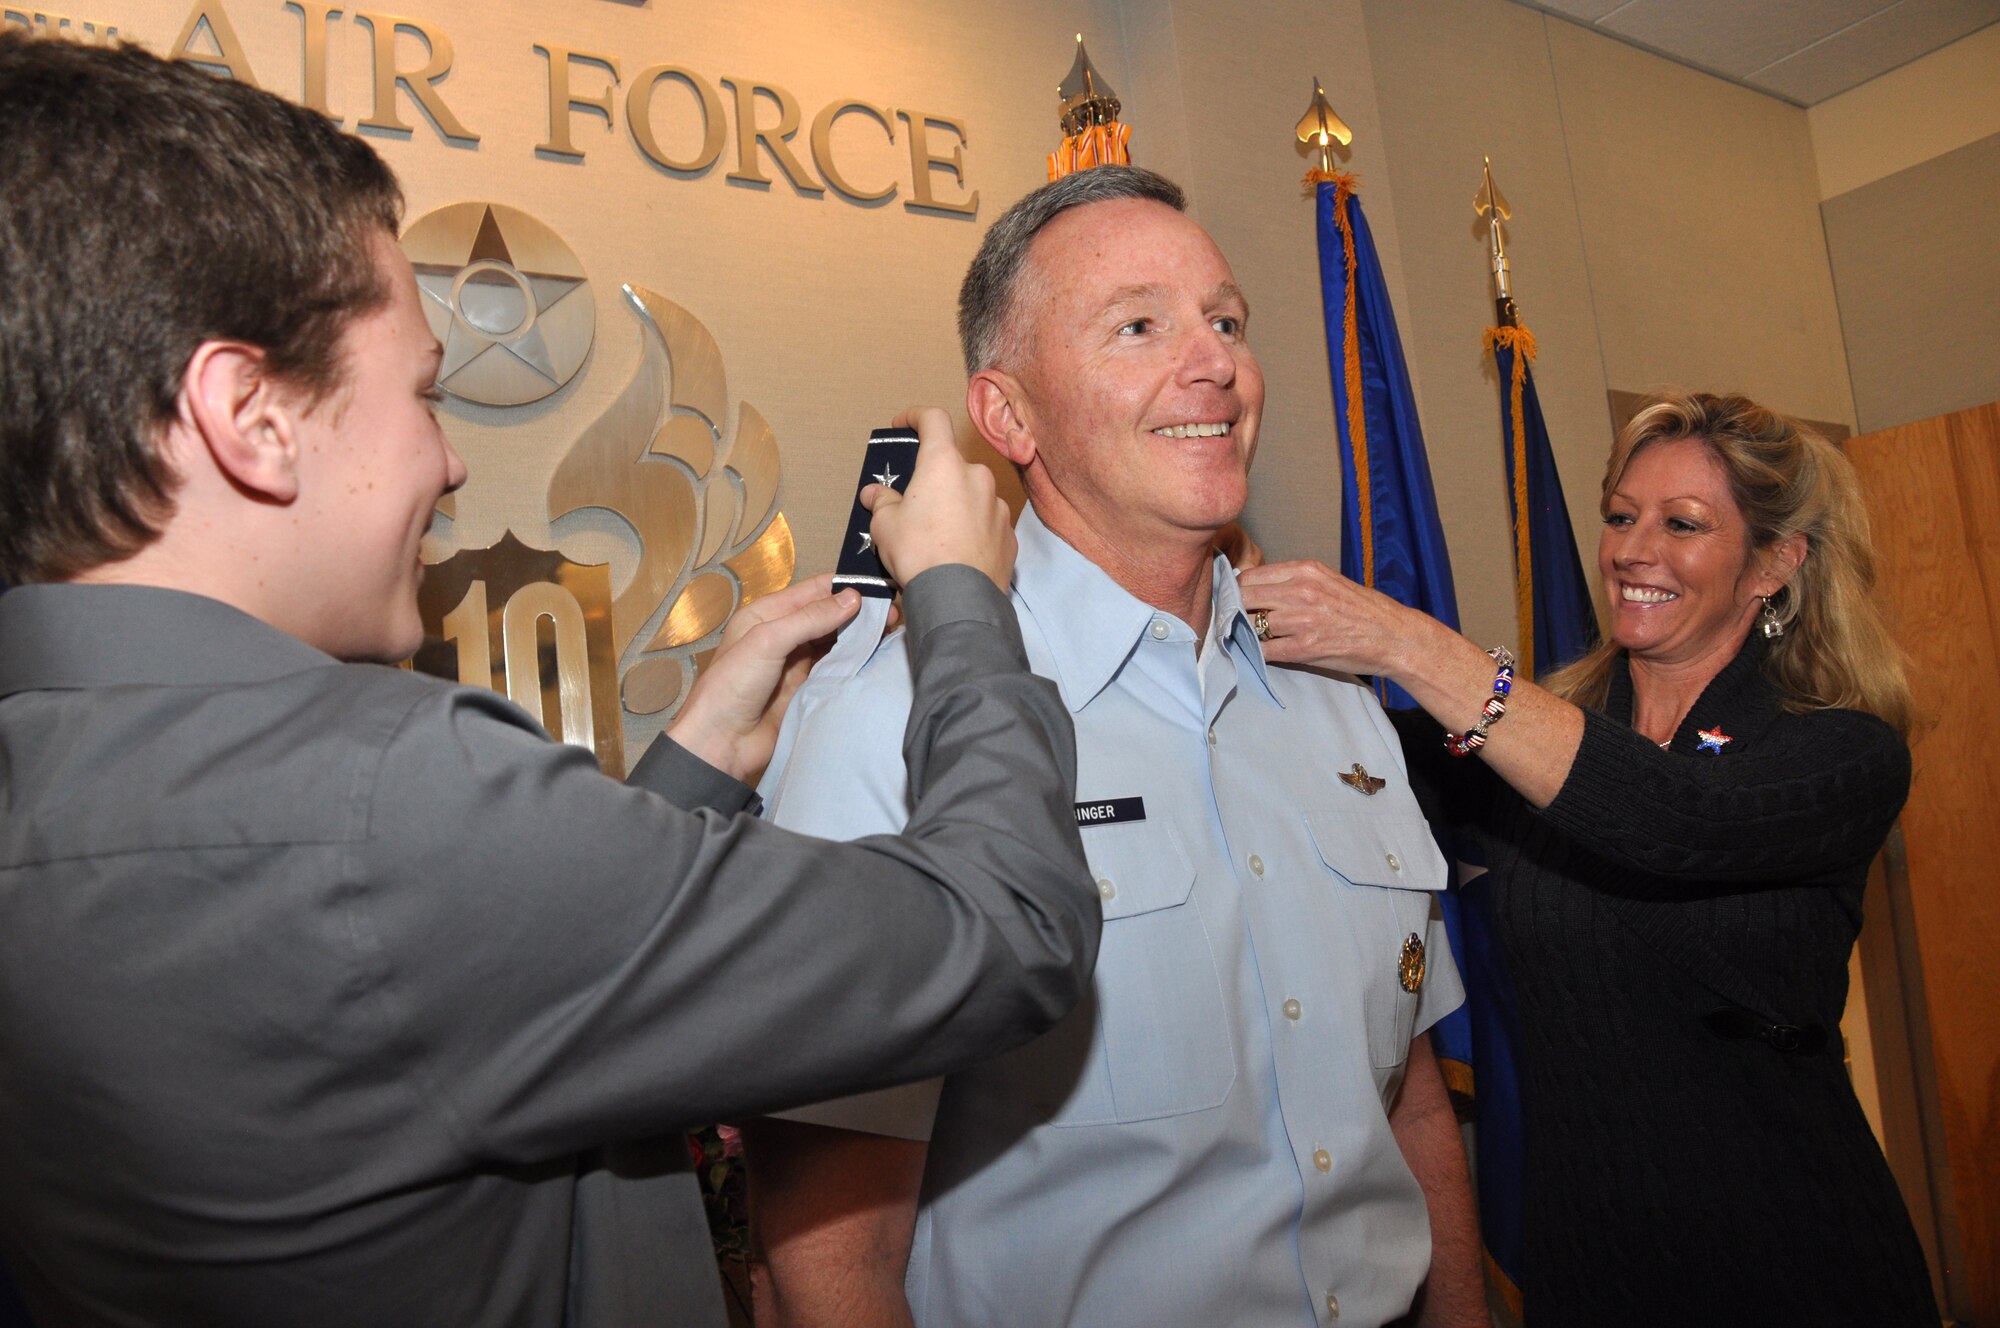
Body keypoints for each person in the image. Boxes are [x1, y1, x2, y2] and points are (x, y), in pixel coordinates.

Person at [0, 32, 1104, 1327]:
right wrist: (967, 602)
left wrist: (688, 771)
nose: (451, 464)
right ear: (251, 416)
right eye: (422, 392)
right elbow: (1011, 932)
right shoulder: (394, 801)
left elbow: (449, 1001)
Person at [742, 166, 1484, 1328]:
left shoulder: (1334, 697)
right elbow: (834, 1223)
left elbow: (1404, 1096)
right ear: (1008, 417)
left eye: (1225, 321)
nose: (1215, 364)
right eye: (1138, 325)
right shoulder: (892, 721)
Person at [1238, 391, 1938, 1326]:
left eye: (1682, 524)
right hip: (1588, 1249)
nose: (1632, 549)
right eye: (1620, 516)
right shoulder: (1546, 741)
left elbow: (1674, 820)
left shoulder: (1842, 750)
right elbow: (1365, 771)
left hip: (1786, 1242)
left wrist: (1401, 637)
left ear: (1775, 562)